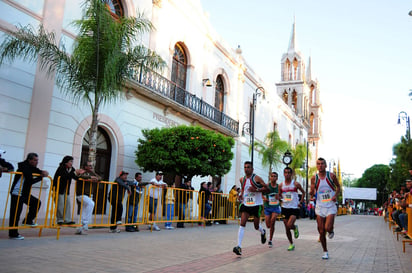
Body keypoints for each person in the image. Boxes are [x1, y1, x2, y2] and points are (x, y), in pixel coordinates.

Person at [9, 153, 49, 239]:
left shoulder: (31, 167)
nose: (36, 162)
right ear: (29, 160)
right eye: (35, 160)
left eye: (37, 160)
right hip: (17, 193)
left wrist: (43, 172)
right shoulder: (24, 167)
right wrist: (40, 177)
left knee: (36, 202)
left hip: (24, 193)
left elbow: (37, 170)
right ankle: (13, 233)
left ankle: (28, 220)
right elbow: (29, 181)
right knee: (15, 214)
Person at [233, 161, 268, 256]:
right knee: (242, 223)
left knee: (256, 226)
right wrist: (241, 195)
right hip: (246, 204)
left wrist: (256, 189)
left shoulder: (256, 178)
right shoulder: (242, 179)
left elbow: (267, 189)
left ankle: (263, 231)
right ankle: (239, 246)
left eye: (248, 167)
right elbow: (244, 189)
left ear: (252, 169)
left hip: (256, 205)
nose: (246, 169)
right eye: (245, 167)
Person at [310, 157, 341, 259]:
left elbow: (338, 187)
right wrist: (312, 193)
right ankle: (325, 251)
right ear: (317, 166)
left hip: (330, 206)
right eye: (318, 164)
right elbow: (313, 190)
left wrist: (335, 195)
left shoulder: (331, 176)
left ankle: (331, 230)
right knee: (321, 231)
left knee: (327, 228)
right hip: (320, 206)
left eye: (322, 164)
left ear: (326, 165)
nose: (320, 166)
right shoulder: (314, 178)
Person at [279, 166, 305, 251]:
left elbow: (303, 192)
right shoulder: (281, 185)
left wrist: (301, 202)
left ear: (291, 174)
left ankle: (295, 227)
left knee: (290, 225)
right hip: (285, 207)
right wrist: (279, 198)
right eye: (285, 173)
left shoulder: (296, 184)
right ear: (283, 174)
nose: (287, 174)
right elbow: (279, 195)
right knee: (286, 228)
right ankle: (291, 244)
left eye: (289, 173)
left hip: (294, 207)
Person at [53, 155, 84, 225]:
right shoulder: (61, 168)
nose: (71, 163)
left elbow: (75, 177)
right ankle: (60, 220)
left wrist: (79, 175)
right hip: (59, 189)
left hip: (66, 190)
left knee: (67, 204)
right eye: (70, 161)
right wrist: (74, 173)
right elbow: (65, 176)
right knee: (60, 205)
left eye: (72, 161)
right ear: (66, 162)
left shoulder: (71, 169)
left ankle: (67, 219)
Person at [75, 161, 100, 235]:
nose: (91, 167)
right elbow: (80, 176)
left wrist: (95, 176)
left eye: (92, 166)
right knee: (91, 204)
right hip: (81, 194)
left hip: (88, 195)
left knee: (83, 211)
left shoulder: (92, 173)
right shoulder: (82, 171)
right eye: (89, 166)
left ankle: (79, 229)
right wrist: (90, 177)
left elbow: (100, 178)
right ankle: (85, 222)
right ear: (85, 166)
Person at [262, 172, 281, 248]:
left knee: (273, 221)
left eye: (275, 176)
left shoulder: (279, 186)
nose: (273, 177)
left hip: (275, 206)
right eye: (272, 176)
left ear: (277, 178)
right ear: (270, 178)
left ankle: (270, 240)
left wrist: (279, 197)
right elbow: (261, 193)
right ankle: (265, 233)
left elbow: (281, 195)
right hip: (268, 206)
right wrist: (264, 198)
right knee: (268, 225)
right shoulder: (267, 186)